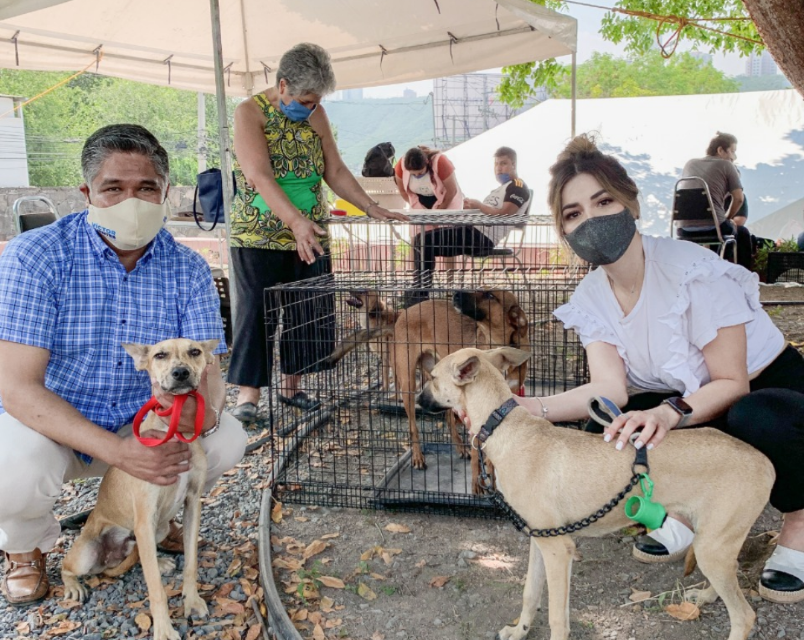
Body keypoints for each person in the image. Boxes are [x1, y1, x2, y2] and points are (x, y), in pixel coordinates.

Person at [512, 135, 804, 603]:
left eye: (602, 200)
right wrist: (528, 407)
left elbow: (733, 382)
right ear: (564, 231)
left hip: (764, 388)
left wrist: (668, 414)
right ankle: (681, 513)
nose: (590, 219)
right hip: (686, 394)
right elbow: (610, 388)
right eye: (573, 213)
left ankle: (800, 519)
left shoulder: (691, 269)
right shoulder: (590, 297)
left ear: (630, 202)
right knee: (602, 425)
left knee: (759, 418)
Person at [0, 124, 248, 606]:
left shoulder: (187, 267)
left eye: (146, 188)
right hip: (57, 424)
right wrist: (120, 452)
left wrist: (205, 415)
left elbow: (210, 369)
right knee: (13, 468)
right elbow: (17, 387)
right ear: (86, 193)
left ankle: (158, 515)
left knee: (228, 439)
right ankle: (26, 547)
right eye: (113, 188)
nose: (131, 200)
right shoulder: (36, 256)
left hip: (149, 425)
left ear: (165, 193)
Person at [228, 43, 408, 421]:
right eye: (306, 100)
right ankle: (248, 398)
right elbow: (258, 175)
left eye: (316, 101)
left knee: (308, 308)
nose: (310, 107)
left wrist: (370, 205)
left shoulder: (317, 115)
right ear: (282, 86)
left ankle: (294, 388)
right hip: (260, 234)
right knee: (257, 312)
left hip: (311, 230)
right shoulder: (250, 113)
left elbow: (336, 171)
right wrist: (293, 222)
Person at [402, 146, 531, 306]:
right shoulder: (501, 189)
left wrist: (479, 205)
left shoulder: (517, 186)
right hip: (472, 230)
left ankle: (420, 294)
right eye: (496, 164)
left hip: (482, 238)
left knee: (424, 241)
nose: (499, 168)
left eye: (503, 163)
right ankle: (420, 291)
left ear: (514, 165)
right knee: (422, 240)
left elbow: (505, 214)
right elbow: (490, 211)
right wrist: (472, 208)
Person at [679, 132, 752, 270]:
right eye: (732, 151)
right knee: (741, 233)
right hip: (713, 227)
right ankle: (741, 277)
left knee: (725, 231)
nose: (734, 157)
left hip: (683, 229)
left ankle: (709, 268)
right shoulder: (726, 165)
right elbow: (739, 199)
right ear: (720, 150)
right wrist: (728, 218)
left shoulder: (690, 164)